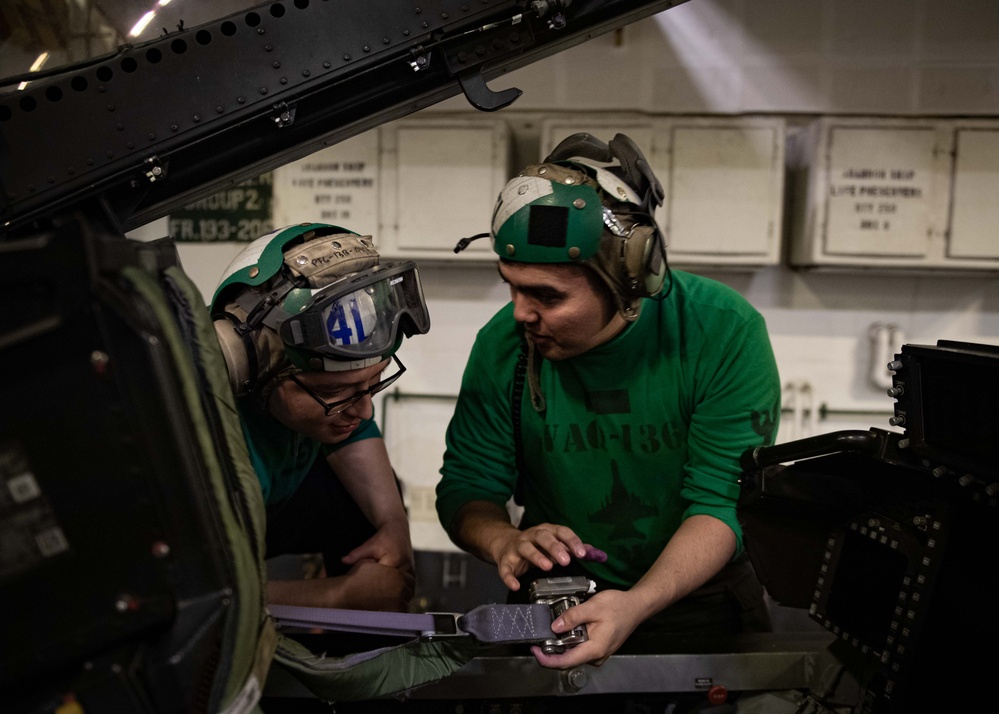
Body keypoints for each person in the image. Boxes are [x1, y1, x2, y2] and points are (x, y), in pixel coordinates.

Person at [435, 133, 782, 669]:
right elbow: (467, 487)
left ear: (628, 280)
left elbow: (721, 503)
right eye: (511, 286)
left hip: (699, 609)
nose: (522, 313)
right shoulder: (502, 345)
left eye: (548, 296)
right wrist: (502, 539)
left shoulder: (721, 331)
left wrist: (636, 605)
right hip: (551, 607)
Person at [210, 222, 431, 612]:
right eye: (333, 392)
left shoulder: (332, 398)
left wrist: (394, 529)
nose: (364, 410)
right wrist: (338, 598)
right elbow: (200, 603)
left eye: (373, 383)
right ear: (249, 368)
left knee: (364, 500)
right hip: (221, 535)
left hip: (275, 505)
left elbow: (357, 435)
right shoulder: (213, 449)